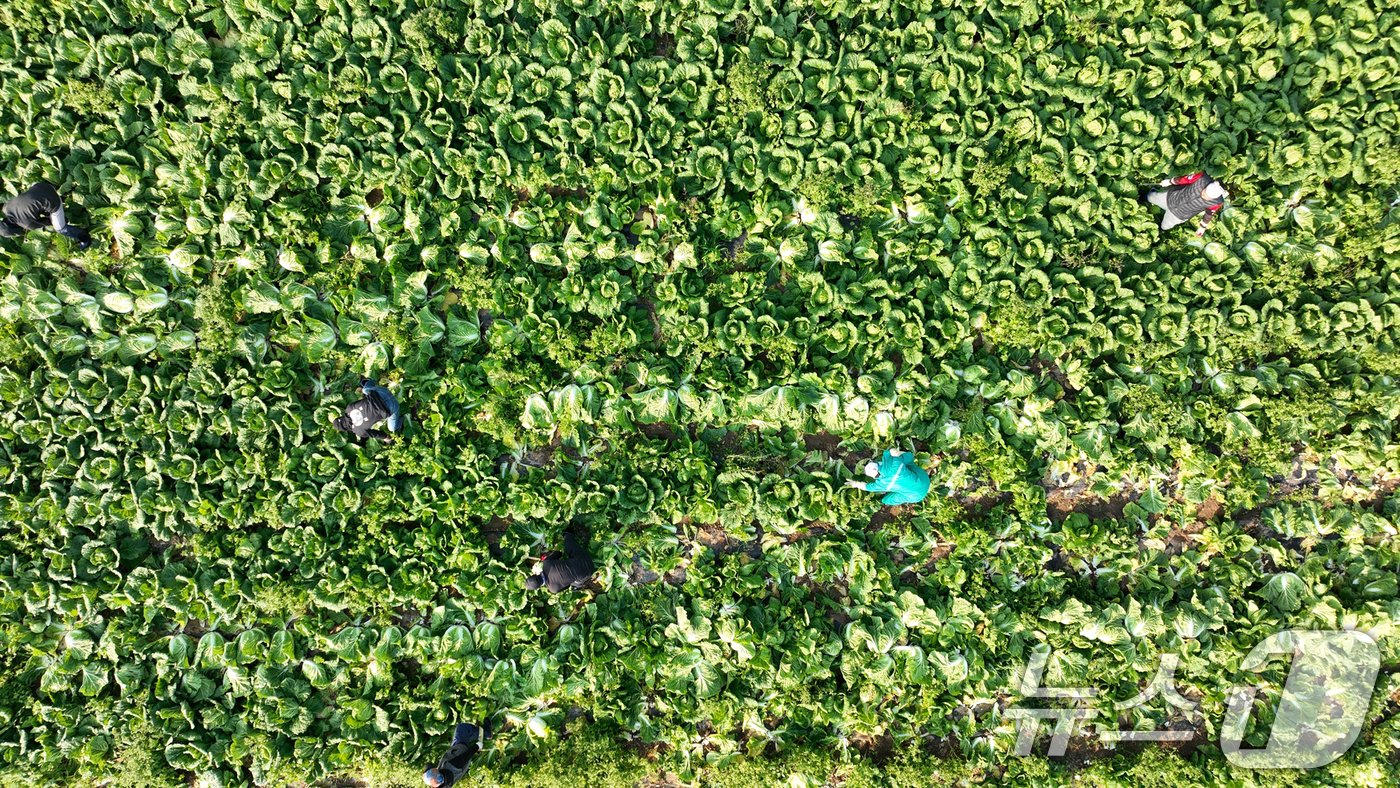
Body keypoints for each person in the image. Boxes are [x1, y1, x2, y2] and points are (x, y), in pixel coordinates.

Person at [1, 181, 91, 249]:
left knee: (61, 229)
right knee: (38, 206)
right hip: (41, 185)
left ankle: (84, 237)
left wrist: (62, 220)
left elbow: (48, 221)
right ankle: (60, 198)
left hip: (54, 199)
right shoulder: (5, 208)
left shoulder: (27, 224)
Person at [1144, 172, 1229, 235]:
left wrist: (1202, 228)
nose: (1204, 196)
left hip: (1179, 215)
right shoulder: (1202, 178)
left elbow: (1209, 215)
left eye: (1207, 197)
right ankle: (1143, 195)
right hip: (1171, 197)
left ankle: (1160, 231)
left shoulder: (1217, 202)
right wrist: (1170, 181)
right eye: (1204, 192)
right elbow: (1184, 179)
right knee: (1150, 196)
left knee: (1165, 226)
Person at [845, 448, 931, 505]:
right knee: (907, 461)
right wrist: (896, 452)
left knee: (886, 500)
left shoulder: (880, 484)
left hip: (916, 496)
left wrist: (854, 484)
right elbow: (908, 455)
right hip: (924, 479)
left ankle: (888, 495)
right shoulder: (896, 463)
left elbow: (866, 487)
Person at [332, 378, 402, 441]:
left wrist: (387, 438)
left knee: (392, 428)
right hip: (382, 392)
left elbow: (377, 434)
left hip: (392, 407)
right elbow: (363, 399)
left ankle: (403, 417)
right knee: (365, 390)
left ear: (345, 429)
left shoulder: (359, 431)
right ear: (341, 417)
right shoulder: (349, 408)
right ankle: (371, 380)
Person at [526, 530, 596, 593]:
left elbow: (568, 586)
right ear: (535, 574)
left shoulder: (553, 589)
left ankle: (579, 587)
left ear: (539, 587)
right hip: (584, 557)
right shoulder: (546, 563)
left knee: (575, 583)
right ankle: (568, 534)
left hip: (589, 571)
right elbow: (559, 554)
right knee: (569, 546)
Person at [423, 722, 486, 787]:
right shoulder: (452, 766)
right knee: (462, 727)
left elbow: (432, 777)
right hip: (460, 750)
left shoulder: (442, 783)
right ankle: (486, 731)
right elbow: (465, 757)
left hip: (453, 754)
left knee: (464, 736)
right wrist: (476, 747)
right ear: (438, 773)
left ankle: (475, 731)